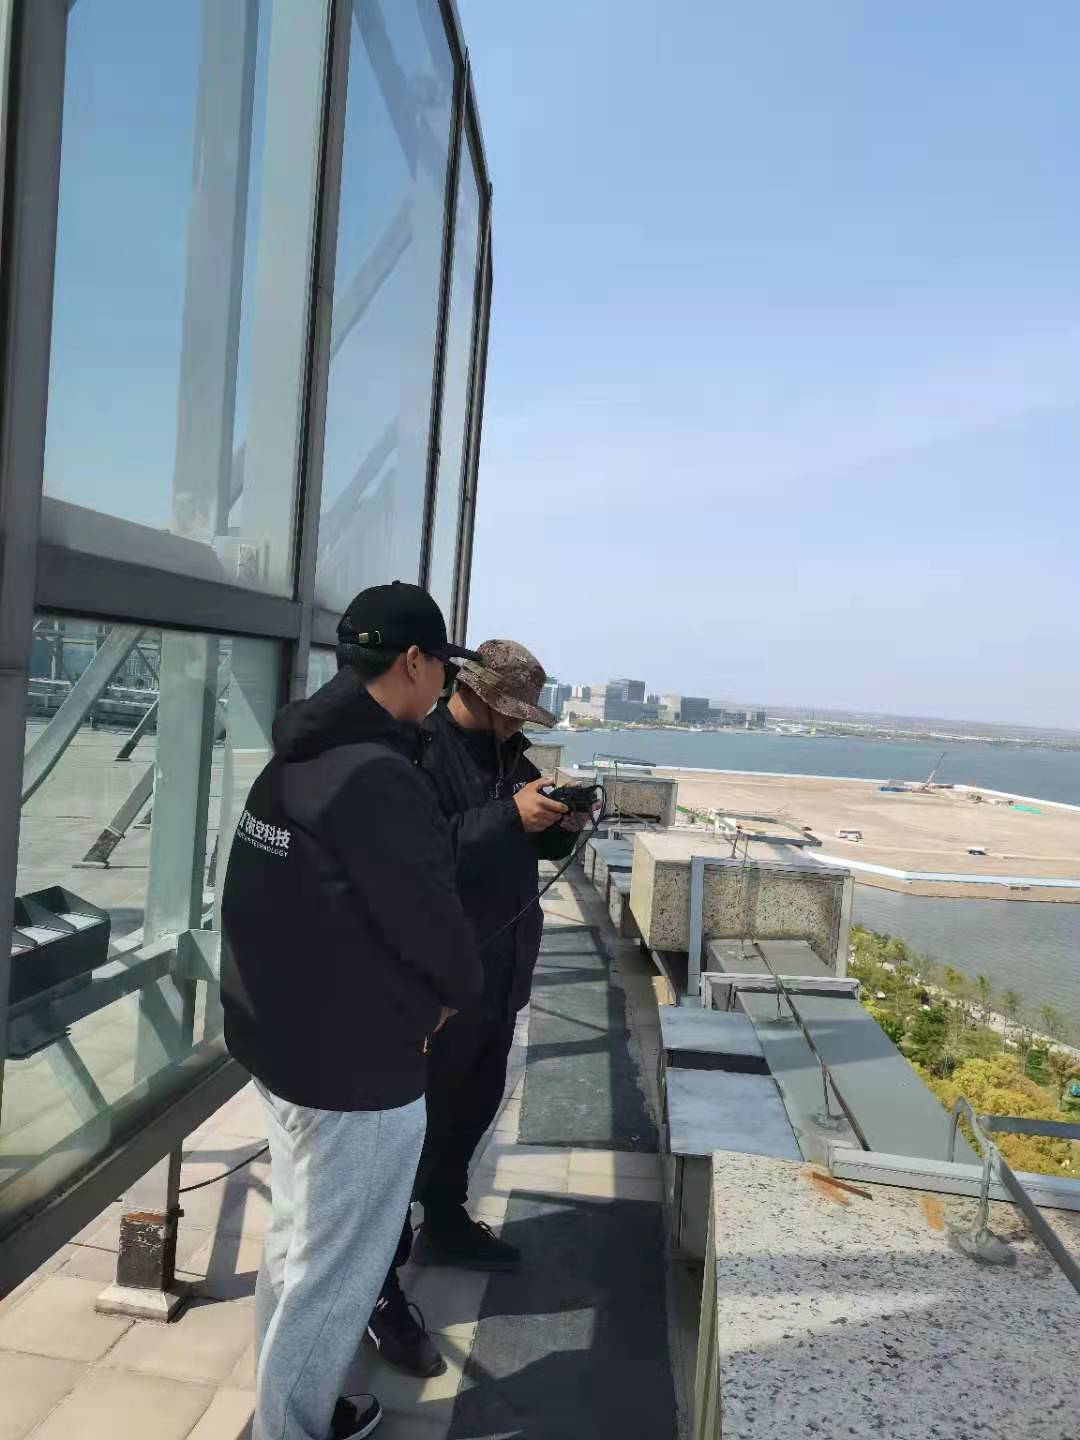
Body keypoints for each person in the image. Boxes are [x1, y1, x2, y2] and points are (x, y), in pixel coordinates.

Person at [220, 582, 483, 1440]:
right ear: (411, 661)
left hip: (283, 1044)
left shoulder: (300, 754)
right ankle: (291, 1429)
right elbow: (431, 919)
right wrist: (451, 998)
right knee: (338, 1270)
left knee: (298, 1244)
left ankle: (290, 1410)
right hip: (352, 1069)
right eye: (443, 665)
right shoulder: (375, 775)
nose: (446, 681)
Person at [366, 639, 587, 1380]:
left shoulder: (509, 757)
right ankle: (377, 1279)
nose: (519, 722)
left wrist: (556, 826)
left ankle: (447, 1218)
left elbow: (517, 845)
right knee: (410, 1132)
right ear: (483, 696)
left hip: (498, 973)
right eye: (513, 709)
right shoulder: (420, 751)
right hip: (437, 983)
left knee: (471, 1107)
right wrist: (507, 816)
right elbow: (420, 850)